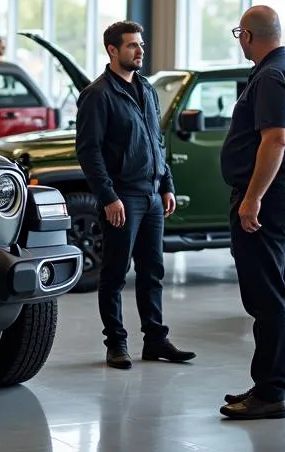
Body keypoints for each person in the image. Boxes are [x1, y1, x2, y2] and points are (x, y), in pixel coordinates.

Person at [219, 6, 285, 420]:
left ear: (246, 35)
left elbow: (276, 140)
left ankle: (269, 393)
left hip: (267, 199)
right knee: (282, 294)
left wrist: (254, 197)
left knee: (266, 299)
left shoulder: (270, 76)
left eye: (238, 35)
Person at [75, 20, 195, 369]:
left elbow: (156, 142)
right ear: (112, 50)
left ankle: (155, 339)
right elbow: (89, 151)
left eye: (140, 44)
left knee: (152, 270)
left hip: (153, 196)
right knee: (114, 273)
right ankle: (116, 344)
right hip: (122, 198)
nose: (139, 50)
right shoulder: (97, 95)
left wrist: (167, 184)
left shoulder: (146, 89)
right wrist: (108, 196)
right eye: (131, 45)